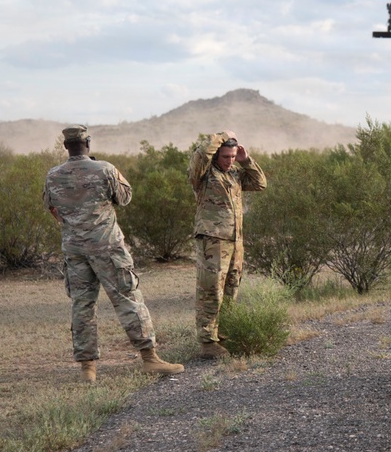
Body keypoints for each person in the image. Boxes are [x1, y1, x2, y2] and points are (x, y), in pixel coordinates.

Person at [43, 125, 184, 382]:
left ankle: (88, 368)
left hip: (74, 250)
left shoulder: (53, 175)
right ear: (88, 142)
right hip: (106, 247)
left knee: (82, 306)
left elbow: (51, 207)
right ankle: (149, 358)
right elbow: (125, 197)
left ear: (66, 146)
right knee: (127, 298)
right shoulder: (105, 169)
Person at [188, 130, 267, 359]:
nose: (230, 161)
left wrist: (246, 160)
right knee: (210, 290)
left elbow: (260, 183)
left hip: (235, 241)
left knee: (231, 287)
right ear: (216, 156)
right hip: (213, 240)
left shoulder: (234, 174)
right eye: (226, 156)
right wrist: (223, 135)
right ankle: (207, 342)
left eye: (233, 156)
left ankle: (224, 335)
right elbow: (201, 154)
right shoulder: (203, 174)